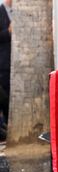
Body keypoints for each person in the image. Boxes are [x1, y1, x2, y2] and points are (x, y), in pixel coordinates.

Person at [0, 0, 12, 137]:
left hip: (11, 62)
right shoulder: (1, 11)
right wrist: (8, 32)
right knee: (4, 96)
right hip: (3, 61)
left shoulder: (16, 13)